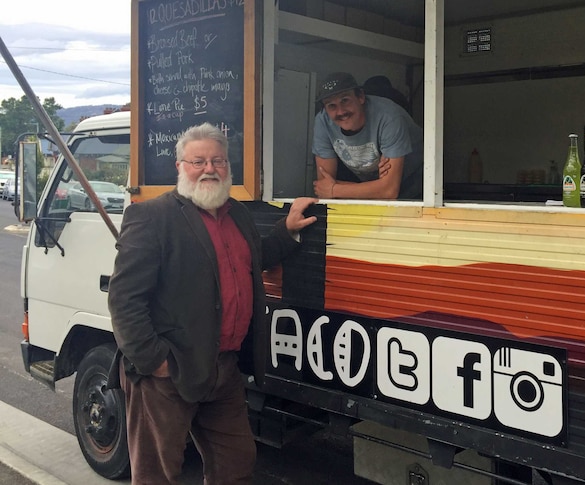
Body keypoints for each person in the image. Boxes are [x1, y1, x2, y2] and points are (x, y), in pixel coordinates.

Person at [107, 122, 318, 484]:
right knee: (157, 474)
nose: (209, 169)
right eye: (198, 161)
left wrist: (288, 229)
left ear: (228, 167)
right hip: (168, 374)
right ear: (180, 167)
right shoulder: (152, 217)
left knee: (236, 463)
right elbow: (124, 299)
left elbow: (253, 260)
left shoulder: (237, 214)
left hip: (224, 370)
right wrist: (155, 362)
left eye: (217, 161)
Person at [312, 72, 423, 200]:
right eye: (331, 105)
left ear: (361, 97)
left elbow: (389, 191)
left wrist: (335, 189)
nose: (341, 111)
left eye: (345, 100)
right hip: (369, 187)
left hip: (417, 185)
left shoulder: (389, 117)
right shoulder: (323, 121)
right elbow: (323, 187)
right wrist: (375, 189)